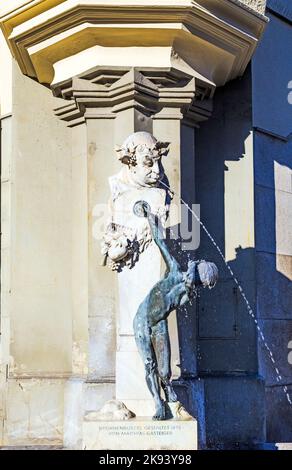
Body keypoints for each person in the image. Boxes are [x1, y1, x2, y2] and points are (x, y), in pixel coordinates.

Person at [133, 202, 218, 420]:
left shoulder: (187, 293)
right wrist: (150, 216)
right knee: (149, 364)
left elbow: (180, 294)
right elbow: (159, 241)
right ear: (196, 271)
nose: (196, 283)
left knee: (165, 370)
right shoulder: (173, 270)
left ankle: (168, 389)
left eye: (199, 283)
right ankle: (157, 403)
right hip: (142, 321)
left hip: (158, 323)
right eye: (198, 279)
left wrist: (189, 284)